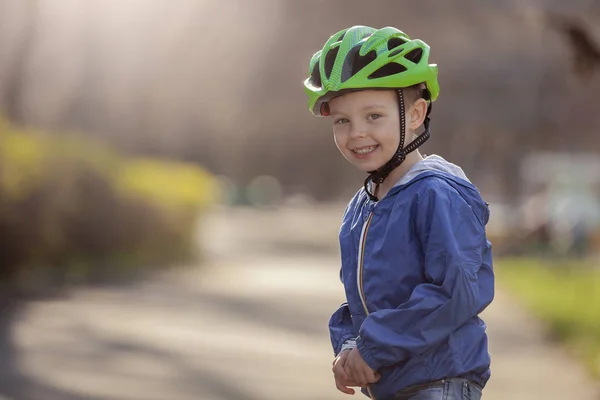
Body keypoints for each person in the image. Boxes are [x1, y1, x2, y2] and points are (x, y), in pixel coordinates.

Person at [302, 25, 495, 400]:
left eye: (373, 116)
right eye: (342, 120)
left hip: (437, 383)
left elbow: (454, 291)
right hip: (396, 387)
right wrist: (348, 345)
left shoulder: (435, 193)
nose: (356, 132)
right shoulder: (363, 206)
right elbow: (368, 297)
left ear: (417, 113)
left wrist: (372, 349)